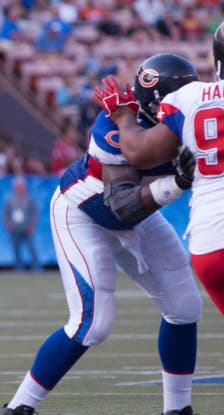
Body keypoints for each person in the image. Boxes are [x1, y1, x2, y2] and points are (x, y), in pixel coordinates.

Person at [0, 53, 220, 415]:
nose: (185, 100)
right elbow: (122, 206)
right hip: (87, 211)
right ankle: (15, 412)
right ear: (153, 102)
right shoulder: (115, 125)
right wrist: (179, 181)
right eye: (176, 96)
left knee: (185, 307)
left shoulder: (189, 111)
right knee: (93, 323)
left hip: (140, 215)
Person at [95, 27, 224, 320]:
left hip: (209, 243)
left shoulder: (191, 98)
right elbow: (122, 206)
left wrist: (125, 119)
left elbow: (139, 152)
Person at [2, 176, 41, 272]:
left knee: (32, 248)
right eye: (17, 187)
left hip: (27, 229)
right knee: (16, 250)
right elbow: (5, 215)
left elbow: (34, 214)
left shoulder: (30, 200)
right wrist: (8, 226)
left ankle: (36, 267)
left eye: (21, 186)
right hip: (15, 229)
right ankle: (19, 268)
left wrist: (32, 226)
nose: (19, 189)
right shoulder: (10, 200)